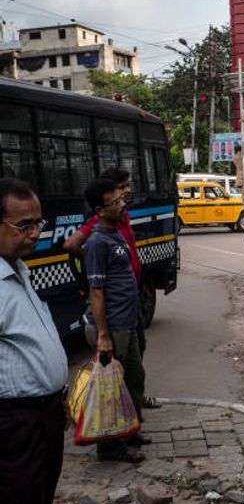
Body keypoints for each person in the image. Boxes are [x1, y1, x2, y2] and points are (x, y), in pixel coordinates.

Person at [0, 177, 69, 504]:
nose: (35, 234)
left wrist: (54, 396)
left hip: (41, 418)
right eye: (23, 225)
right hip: (13, 427)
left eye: (38, 223)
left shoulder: (19, 270)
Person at [64, 167, 161, 409]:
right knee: (115, 375)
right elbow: (95, 288)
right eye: (122, 189)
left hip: (131, 304)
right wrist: (94, 263)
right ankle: (115, 433)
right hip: (116, 315)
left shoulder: (119, 222)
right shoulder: (98, 234)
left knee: (135, 361)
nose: (126, 193)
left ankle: (133, 417)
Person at [82, 177, 149, 463]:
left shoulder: (116, 233)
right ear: (99, 209)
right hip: (113, 327)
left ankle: (129, 431)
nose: (122, 204)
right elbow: (96, 292)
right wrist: (103, 335)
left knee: (134, 378)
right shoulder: (96, 242)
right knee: (111, 388)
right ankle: (109, 447)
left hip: (128, 321)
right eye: (115, 202)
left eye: (121, 199)